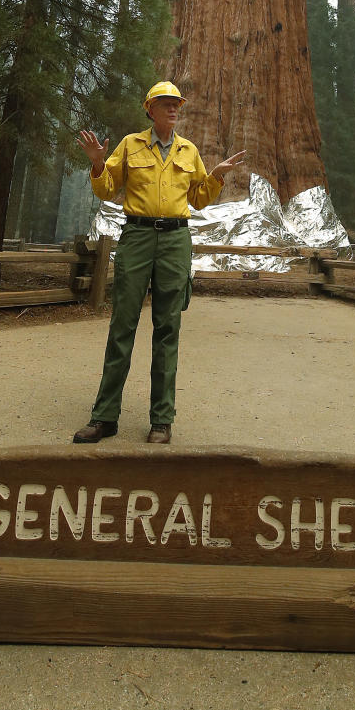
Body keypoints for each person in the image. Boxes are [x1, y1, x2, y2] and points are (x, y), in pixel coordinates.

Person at [72, 81, 245, 444]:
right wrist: (98, 162)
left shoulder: (188, 150)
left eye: (176, 104)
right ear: (149, 109)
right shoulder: (130, 145)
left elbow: (198, 200)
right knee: (123, 325)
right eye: (165, 103)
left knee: (167, 329)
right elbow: (107, 189)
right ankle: (104, 417)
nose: (173, 109)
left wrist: (215, 176)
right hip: (136, 237)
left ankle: (161, 420)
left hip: (175, 241)